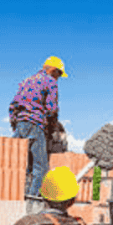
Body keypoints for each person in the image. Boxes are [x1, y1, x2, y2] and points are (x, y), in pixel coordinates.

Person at [10, 56, 68, 199]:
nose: (58, 78)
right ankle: (30, 201)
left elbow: (12, 106)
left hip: (20, 124)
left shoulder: (26, 81)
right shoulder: (50, 82)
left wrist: (16, 125)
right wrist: (53, 127)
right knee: (41, 168)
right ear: (53, 70)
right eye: (59, 74)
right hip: (35, 125)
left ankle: (17, 196)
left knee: (20, 166)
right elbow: (52, 108)